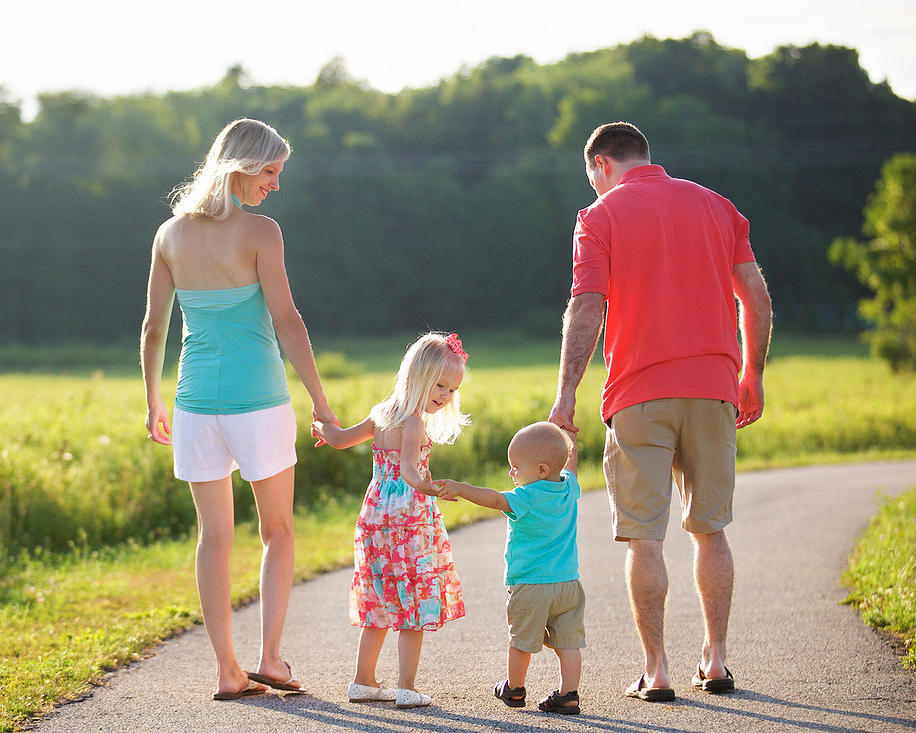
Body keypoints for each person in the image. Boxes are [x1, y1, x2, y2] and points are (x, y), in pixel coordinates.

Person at [549, 122, 773, 702]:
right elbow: (756, 295)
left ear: (600, 164)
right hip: (714, 388)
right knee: (710, 530)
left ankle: (658, 671)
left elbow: (586, 307)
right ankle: (717, 660)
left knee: (645, 538)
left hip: (638, 395)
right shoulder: (719, 208)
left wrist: (566, 394)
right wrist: (752, 372)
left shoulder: (598, 218)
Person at [140, 118, 338, 701]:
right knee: (277, 530)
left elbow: (155, 327)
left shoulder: (169, 234)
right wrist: (321, 402)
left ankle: (229, 672)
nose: (275, 184)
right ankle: (270, 659)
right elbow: (287, 320)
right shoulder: (261, 232)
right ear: (243, 167)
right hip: (259, 404)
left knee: (214, 538)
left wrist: (152, 399)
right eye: (270, 171)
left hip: (195, 407)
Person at [312, 332, 469, 709]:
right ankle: (406, 687)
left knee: (379, 596)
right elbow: (411, 472)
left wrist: (320, 426)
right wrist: (434, 488)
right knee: (412, 602)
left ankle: (363, 681)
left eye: (451, 389)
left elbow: (339, 439)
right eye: (440, 385)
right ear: (417, 376)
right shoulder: (414, 423)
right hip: (409, 523)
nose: (445, 395)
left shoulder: (381, 414)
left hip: (374, 520)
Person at [436, 421, 585, 716]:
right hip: (569, 584)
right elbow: (571, 462)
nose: (511, 473)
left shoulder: (526, 498)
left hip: (531, 585)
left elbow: (493, 498)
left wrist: (461, 488)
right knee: (568, 643)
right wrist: (568, 438)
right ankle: (568, 694)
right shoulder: (569, 487)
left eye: (515, 466)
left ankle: (514, 689)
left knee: (521, 641)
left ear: (541, 470)